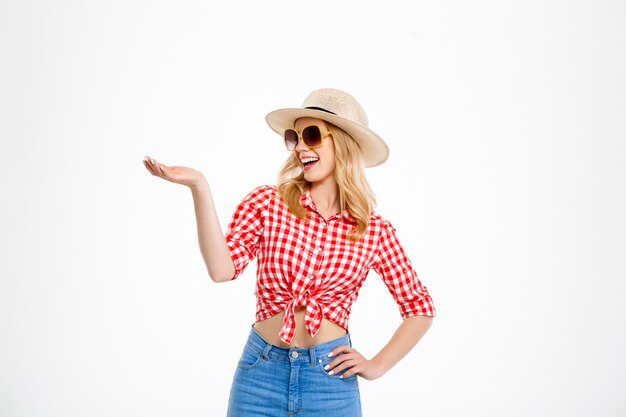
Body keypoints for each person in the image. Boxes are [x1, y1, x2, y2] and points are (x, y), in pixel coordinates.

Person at [142, 88, 436, 417]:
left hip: (330, 383)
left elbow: (419, 307)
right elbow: (221, 269)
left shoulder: (372, 230)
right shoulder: (268, 203)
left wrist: (377, 365)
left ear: (343, 144)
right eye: (294, 137)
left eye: (313, 136)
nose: (301, 148)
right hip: (260, 377)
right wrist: (199, 187)